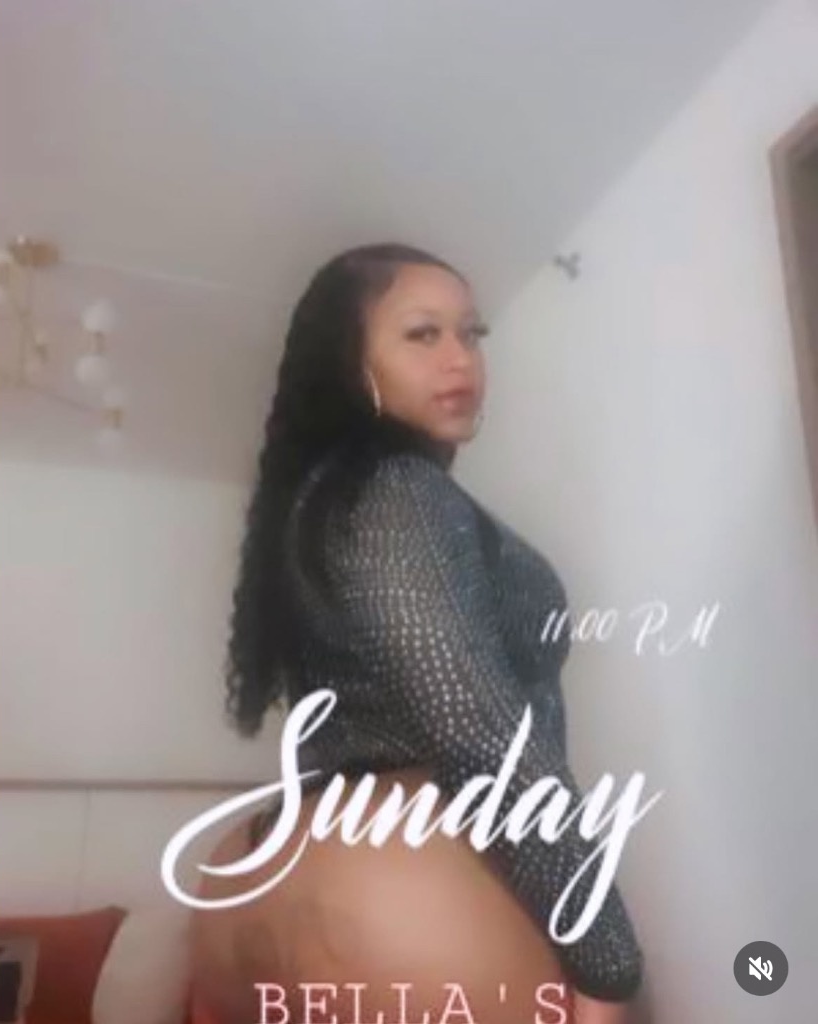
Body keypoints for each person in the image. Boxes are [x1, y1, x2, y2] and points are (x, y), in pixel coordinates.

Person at [190, 243, 645, 1024]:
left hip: (255, 873)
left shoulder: (318, 501)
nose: (460, 358)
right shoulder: (397, 488)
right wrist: (608, 961)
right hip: (401, 885)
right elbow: (476, 727)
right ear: (351, 359)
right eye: (422, 334)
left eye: (472, 334)